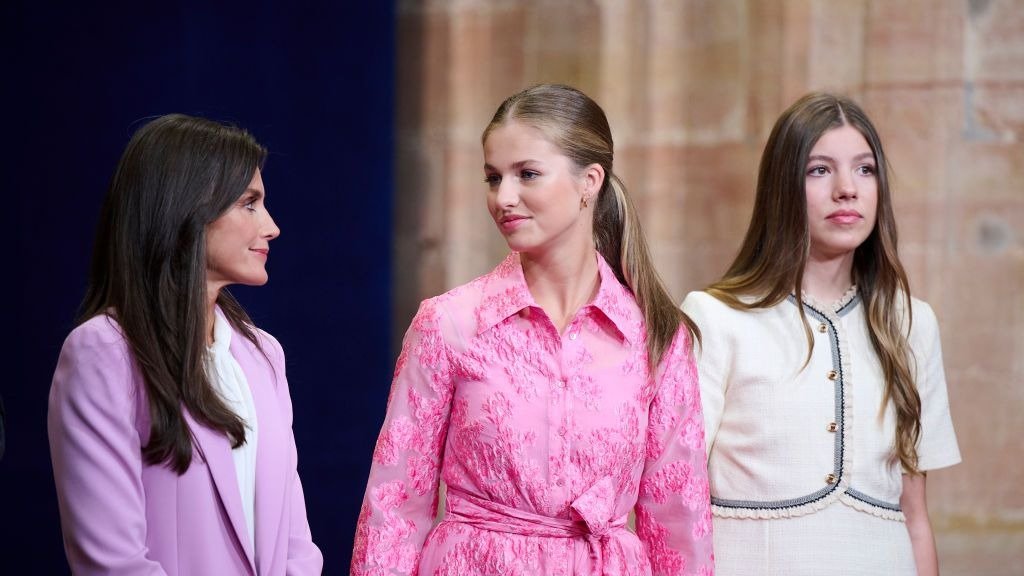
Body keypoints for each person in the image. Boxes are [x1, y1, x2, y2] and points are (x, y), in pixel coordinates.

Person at [351, 84, 714, 575]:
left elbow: (679, 519)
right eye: (492, 176)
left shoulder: (655, 336)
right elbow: (395, 503)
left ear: (590, 181)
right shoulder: (449, 324)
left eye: (528, 174)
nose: (504, 197)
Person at [681, 92, 961, 575]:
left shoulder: (911, 324)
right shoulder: (714, 318)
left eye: (865, 169)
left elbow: (916, 518)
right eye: (820, 170)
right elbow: (675, 502)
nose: (847, 189)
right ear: (782, 187)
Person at [48, 114, 323, 575]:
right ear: (188, 210)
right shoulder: (102, 354)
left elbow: (296, 544)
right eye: (249, 203)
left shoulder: (263, 355)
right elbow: (113, 564)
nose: (272, 226)